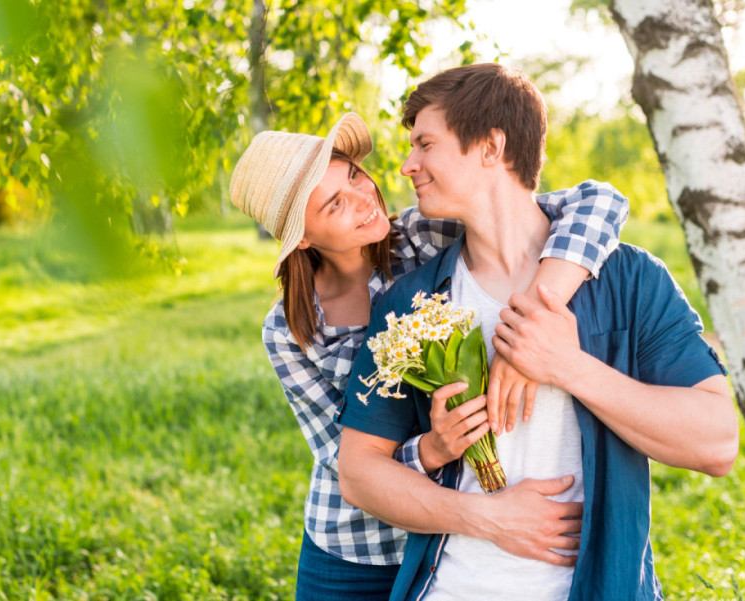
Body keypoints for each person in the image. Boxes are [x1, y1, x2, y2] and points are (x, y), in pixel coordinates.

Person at [337, 62, 739, 601]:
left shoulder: (630, 278)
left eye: (425, 144)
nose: (407, 165)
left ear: (490, 146)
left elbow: (717, 442)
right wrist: (487, 518)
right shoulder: (410, 304)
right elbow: (359, 474)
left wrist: (566, 366)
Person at [228, 111, 630, 600]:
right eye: (336, 203)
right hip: (353, 547)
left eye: (355, 177)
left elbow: (598, 202)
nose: (364, 200)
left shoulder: (423, 238)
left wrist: (532, 323)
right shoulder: (290, 329)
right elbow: (341, 456)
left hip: (450, 545)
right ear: (304, 238)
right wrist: (432, 449)